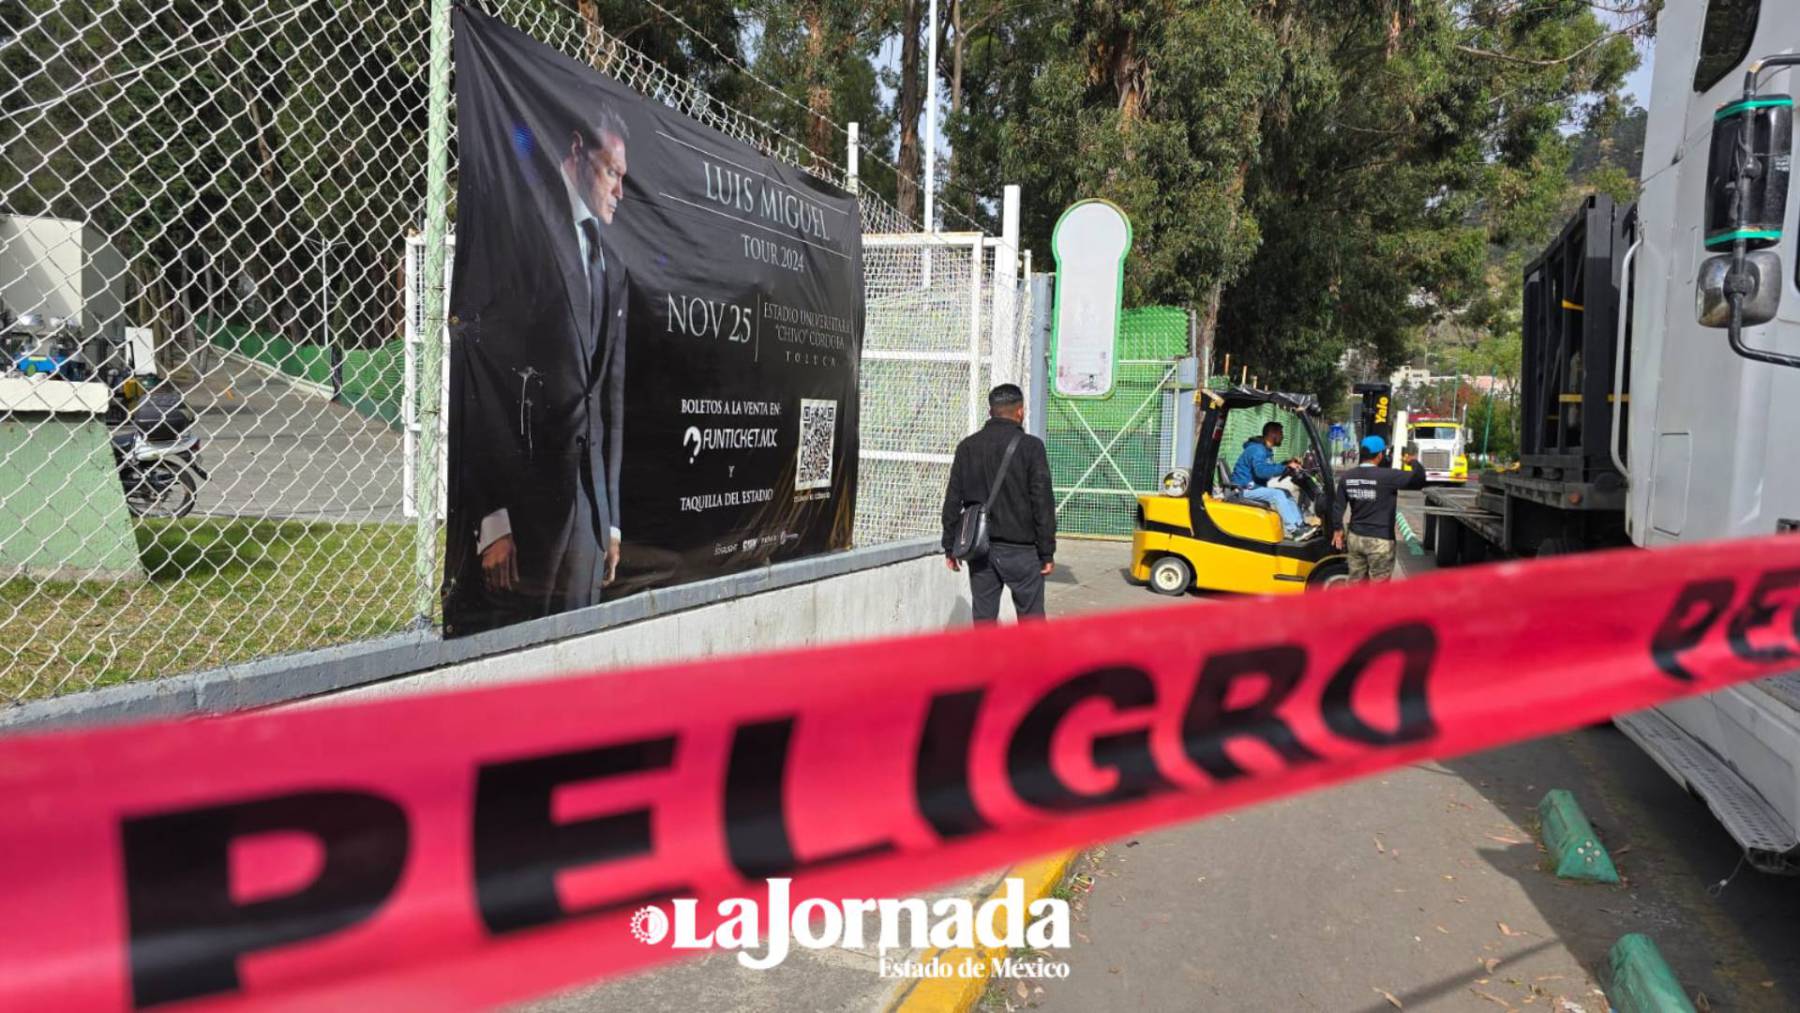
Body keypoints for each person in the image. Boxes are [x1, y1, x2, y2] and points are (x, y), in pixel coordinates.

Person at [444, 105, 633, 635]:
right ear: (576, 152)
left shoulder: (613, 266)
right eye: (612, 172)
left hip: (588, 517)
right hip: (521, 513)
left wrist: (610, 519)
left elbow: (609, 400)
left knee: (576, 669)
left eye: (624, 178)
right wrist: (492, 516)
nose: (620, 190)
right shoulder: (521, 227)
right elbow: (485, 368)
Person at [941, 384, 1057, 621]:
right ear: (1020, 412)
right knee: (1032, 622)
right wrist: (1046, 552)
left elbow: (953, 499)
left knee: (984, 620)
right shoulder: (1031, 448)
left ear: (990, 411)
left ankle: (986, 660)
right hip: (1023, 551)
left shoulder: (967, 447)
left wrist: (950, 547)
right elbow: (1042, 502)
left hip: (980, 549)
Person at [1331, 435, 1425, 582]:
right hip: (1380, 540)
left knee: (1356, 583)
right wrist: (1412, 461)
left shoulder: (1347, 477)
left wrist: (1338, 530)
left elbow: (1338, 506)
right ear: (1380, 455)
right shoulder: (1388, 476)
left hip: (1355, 538)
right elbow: (1419, 479)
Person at [1230, 421, 1313, 541]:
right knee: (1277, 494)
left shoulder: (1264, 450)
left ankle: (1300, 525)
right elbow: (1261, 471)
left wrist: (1286, 464)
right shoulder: (1257, 450)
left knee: (1286, 493)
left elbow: (1268, 467)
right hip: (1243, 489)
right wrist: (1285, 468)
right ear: (1272, 434)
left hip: (1254, 487)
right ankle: (1294, 530)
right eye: (1280, 433)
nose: (1282, 436)